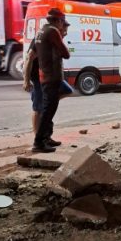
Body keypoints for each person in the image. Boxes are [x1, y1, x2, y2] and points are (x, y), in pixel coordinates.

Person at [23, 17, 74, 137]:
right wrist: (26, 80)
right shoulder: (42, 38)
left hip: (51, 78)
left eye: (65, 32)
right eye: (63, 31)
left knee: (67, 91)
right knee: (38, 109)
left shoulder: (55, 40)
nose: (64, 34)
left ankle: (46, 136)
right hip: (39, 78)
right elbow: (29, 58)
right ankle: (38, 137)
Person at [32, 8, 71, 152]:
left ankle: (46, 137)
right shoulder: (53, 31)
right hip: (51, 76)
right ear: (58, 20)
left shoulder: (41, 30)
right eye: (62, 21)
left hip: (44, 74)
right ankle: (39, 142)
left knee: (48, 109)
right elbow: (65, 53)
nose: (63, 25)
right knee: (48, 110)